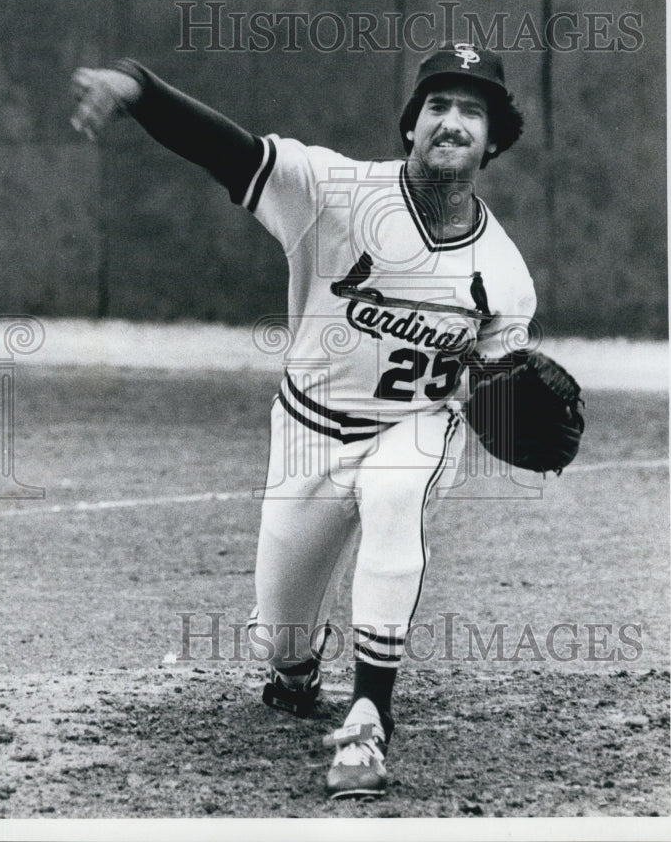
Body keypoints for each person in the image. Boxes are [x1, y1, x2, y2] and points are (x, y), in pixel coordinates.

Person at [70, 43, 535, 799]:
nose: (452, 122)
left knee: (396, 494)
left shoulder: (505, 273)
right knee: (279, 642)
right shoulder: (333, 191)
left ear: (492, 141)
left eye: (473, 111)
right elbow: (231, 152)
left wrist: (508, 399)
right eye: (438, 106)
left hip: (414, 426)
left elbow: (502, 385)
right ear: (411, 126)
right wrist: (140, 87)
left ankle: (368, 721)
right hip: (308, 434)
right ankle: (298, 664)